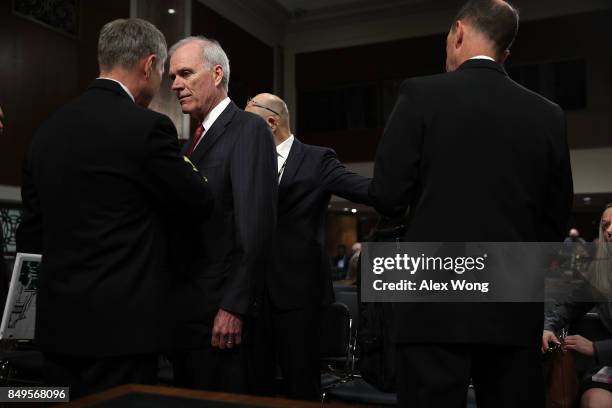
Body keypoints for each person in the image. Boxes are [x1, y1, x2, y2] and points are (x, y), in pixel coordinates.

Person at [368, 0, 573, 406]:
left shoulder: (419, 94)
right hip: (513, 303)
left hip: (433, 298)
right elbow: (555, 220)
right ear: (506, 53)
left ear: (458, 32)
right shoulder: (548, 114)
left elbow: (388, 195)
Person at [15, 18, 213, 397]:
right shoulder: (148, 128)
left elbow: (31, 234)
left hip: (57, 328)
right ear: (148, 65)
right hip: (124, 332)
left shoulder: (44, 133)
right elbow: (198, 201)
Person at [168, 38, 278, 393]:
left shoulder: (249, 128)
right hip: (189, 316)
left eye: (185, 73)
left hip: (223, 319)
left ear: (217, 74)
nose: (174, 85)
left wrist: (234, 307)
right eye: (172, 76)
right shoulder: (190, 142)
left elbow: (255, 227)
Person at [245, 92, 371, 399]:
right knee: (254, 387)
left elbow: (363, 188)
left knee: (300, 386)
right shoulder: (247, 160)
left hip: (299, 295)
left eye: (248, 119)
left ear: (271, 122)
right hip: (253, 294)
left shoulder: (317, 159)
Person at [543, 204, 612, 408]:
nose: (609, 231)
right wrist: (548, 327)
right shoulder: (601, 272)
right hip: (607, 369)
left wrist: (595, 348)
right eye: (606, 225)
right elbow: (568, 306)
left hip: (604, 353)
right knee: (595, 402)